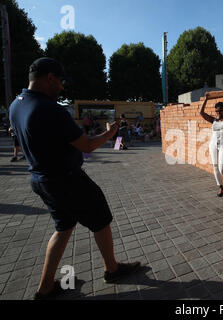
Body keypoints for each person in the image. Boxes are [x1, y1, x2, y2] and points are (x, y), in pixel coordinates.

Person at [9, 57, 141, 300]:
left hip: (40, 179)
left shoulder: (16, 105)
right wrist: (110, 133)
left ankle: (45, 287)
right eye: (60, 81)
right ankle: (112, 269)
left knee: (64, 227)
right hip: (66, 179)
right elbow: (87, 145)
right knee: (101, 219)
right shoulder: (50, 109)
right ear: (49, 78)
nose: (62, 87)